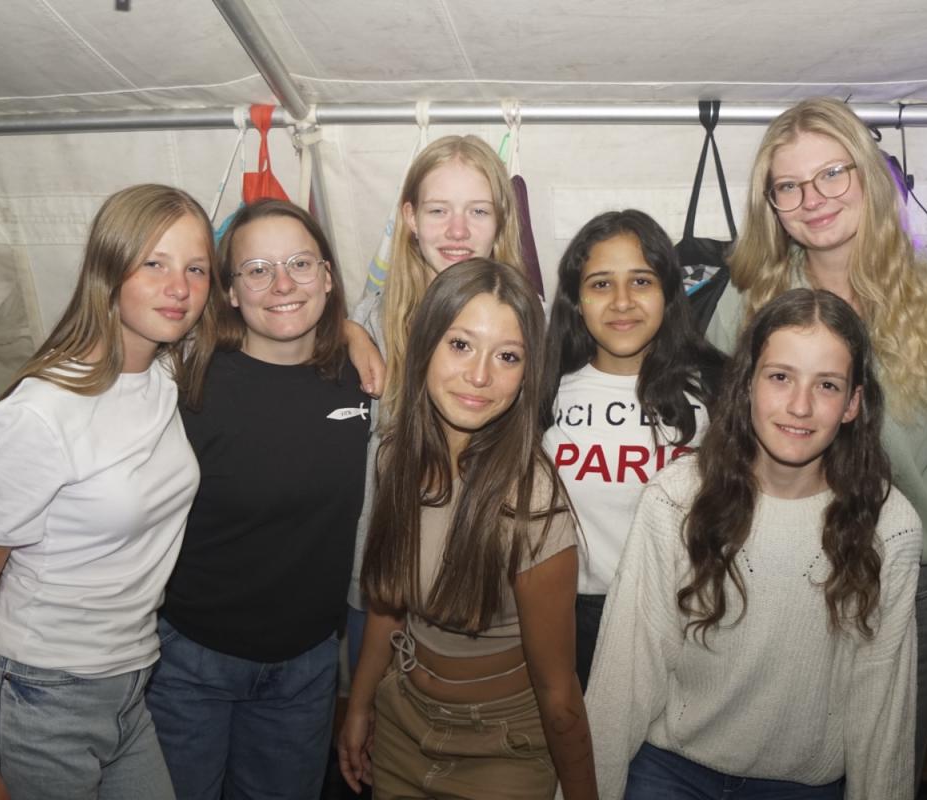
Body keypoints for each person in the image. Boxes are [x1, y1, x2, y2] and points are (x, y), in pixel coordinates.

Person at [707, 98, 927, 764]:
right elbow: (712, 451)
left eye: (832, 174)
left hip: (898, 596)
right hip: (769, 585)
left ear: (870, 175)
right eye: (789, 185)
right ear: (772, 205)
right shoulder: (748, 301)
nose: (813, 199)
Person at [0, 184, 222, 799]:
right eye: (154, 263)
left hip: (128, 683)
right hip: (36, 691)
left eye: (196, 268)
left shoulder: (163, 373)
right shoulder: (40, 414)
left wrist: (356, 336)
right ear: (108, 270)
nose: (179, 287)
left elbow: (280, 320)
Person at [589, 288, 922, 799]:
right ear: (747, 385)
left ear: (853, 404)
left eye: (827, 385)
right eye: (780, 377)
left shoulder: (888, 525)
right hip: (672, 771)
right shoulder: (677, 499)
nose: (800, 406)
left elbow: (882, 710)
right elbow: (625, 674)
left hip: (799, 786)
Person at [338, 259, 597, 800]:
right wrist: (360, 706)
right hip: (401, 724)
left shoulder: (532, 503)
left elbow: (558, 693)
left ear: (528, 373)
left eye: (507, 356)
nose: (480, 376)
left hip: (502, 748)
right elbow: (389, 602)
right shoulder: (394, 457)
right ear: (425, 345)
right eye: (460, 345)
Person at [145, 199, 371, 798]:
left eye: (300, 263)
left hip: (307, 669)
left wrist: (355, 333)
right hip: (193, 663)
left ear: (327, 276)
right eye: (258, 270)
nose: (283, 284)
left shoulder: (366, 381)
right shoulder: (185, 386)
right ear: (229, 291)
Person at [344, 134, 527, 671]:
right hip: (379, 579)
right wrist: (346, 329)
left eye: (478, 211)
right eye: (439, 210)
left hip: (478, 585)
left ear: (501, 221)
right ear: (410, 218)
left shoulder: (528, 319)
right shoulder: (372, 320)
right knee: (368, 714)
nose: (457, 231)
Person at [541, 209, 724, 689]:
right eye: (601, 284)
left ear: (669, 292)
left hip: (688, 616)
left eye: (641, 281)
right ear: (576, 299)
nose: (622, 302)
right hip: (577, 619)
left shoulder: (716, 390)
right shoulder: (544, 392)